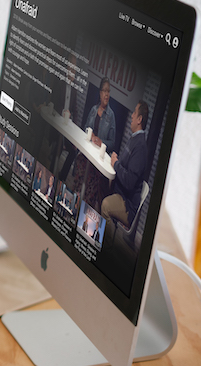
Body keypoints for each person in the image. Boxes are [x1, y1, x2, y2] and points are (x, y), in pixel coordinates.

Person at [101, 101, 149, 248]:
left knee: (105, 205)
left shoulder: (140, 147)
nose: (132, 116)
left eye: (134, 113)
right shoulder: (133, 139)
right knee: (99, 183)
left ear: (139, 119)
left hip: (127, 203)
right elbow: (124, 166)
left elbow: (129, 181)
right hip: (119, 191)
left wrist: (116, 163)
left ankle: (105, 250)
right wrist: (116, 160)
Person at [59, 77, 116, 180]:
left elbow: (112, 143)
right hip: (87, 151)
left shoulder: (111, 116)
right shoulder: (94, 110)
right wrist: (91, 134)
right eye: (104, 91)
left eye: (108, 91)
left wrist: (101, 142)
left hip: (98, 158)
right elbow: (85, 128)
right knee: (76, 156)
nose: (107, 94)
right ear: (100, 93)